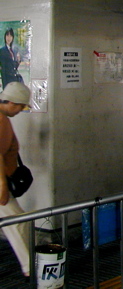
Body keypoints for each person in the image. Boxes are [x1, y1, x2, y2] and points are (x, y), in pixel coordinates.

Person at [0, 82, 32, 277]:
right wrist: (2, 186)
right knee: (18, 222)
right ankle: (30, 269)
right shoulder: (1, 120)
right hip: (0, 181)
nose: (20, 110)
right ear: (11, 102)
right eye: (20, 106)